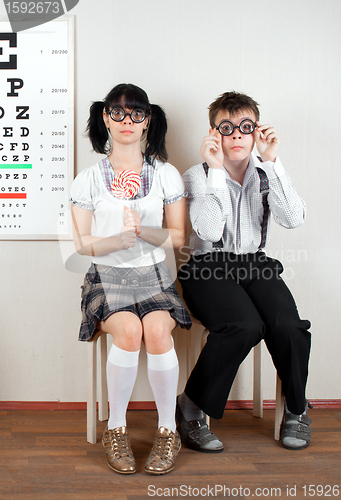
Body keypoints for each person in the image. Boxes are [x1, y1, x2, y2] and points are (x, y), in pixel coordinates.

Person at [177, 91, 312, 452]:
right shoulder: (197, 175)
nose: (236, 135)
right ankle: (190, 408)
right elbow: (208, 231)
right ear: (213, 133)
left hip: (256, 264)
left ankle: (296, 411)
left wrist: (274, 162)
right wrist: (218, 171)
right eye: (227, 127)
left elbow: (294, 218)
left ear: (256, 132)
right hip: (207, 267)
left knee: (288, 326)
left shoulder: (266, 173)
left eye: (245, 127)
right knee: (244, 326)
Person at [70, 83, 191, 475]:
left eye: (136, 114)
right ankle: (117, 428)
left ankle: (168, 431)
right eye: (118, 113)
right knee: (127, 331)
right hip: (106, 275)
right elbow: (82, 244)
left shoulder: (166, 175)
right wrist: (116, 240)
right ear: (105, 117)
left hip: (155, 274)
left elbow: (178, 238)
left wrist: (143, 233)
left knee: (157, 331)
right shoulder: (88, 179)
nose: (127, 121)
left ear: (147, 121)